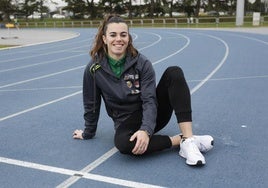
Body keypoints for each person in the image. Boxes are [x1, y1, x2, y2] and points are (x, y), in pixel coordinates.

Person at [73, 14, 213, 166]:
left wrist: (146, 130)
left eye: (123, 35)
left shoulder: (142, 63)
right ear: (104, 39)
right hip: (126, 122)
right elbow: (91, 104)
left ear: (129, 38)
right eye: (113, 35)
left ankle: (188, 138)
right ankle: (181, 140)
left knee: (174, 72)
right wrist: (88, 132)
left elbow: (149, 99)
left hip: (154, 114)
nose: (118, 39)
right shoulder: (94, 69)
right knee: (123, 144)